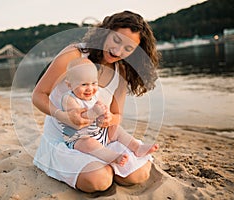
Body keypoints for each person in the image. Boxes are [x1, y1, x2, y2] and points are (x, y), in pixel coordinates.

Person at [32, 10, 160, 193]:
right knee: (99, 180)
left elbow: (118, 115)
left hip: (101, 138)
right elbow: (38, 95)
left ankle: (108, 161)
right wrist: (65, 116)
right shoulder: (74, 55)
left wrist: (110, 120)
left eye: (128, 48)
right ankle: (100, 167)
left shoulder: (121, 71)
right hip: (67, 139)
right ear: (106, 32)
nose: (118, 51)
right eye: (116, 40)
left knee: (138, 175)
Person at [60, 57, 158, 167]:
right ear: (69, 85)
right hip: (79, 139)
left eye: (94, 83)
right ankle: (113, 157)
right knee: (88, 144)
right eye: (84, 84)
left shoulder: (95, 95)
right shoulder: (69, 99)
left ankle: (136, 147)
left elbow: (103, 109)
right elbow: (79, 118)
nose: (90, 88)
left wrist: (106, 115)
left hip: (100, 133)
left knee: (115, 128)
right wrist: (94, 112)